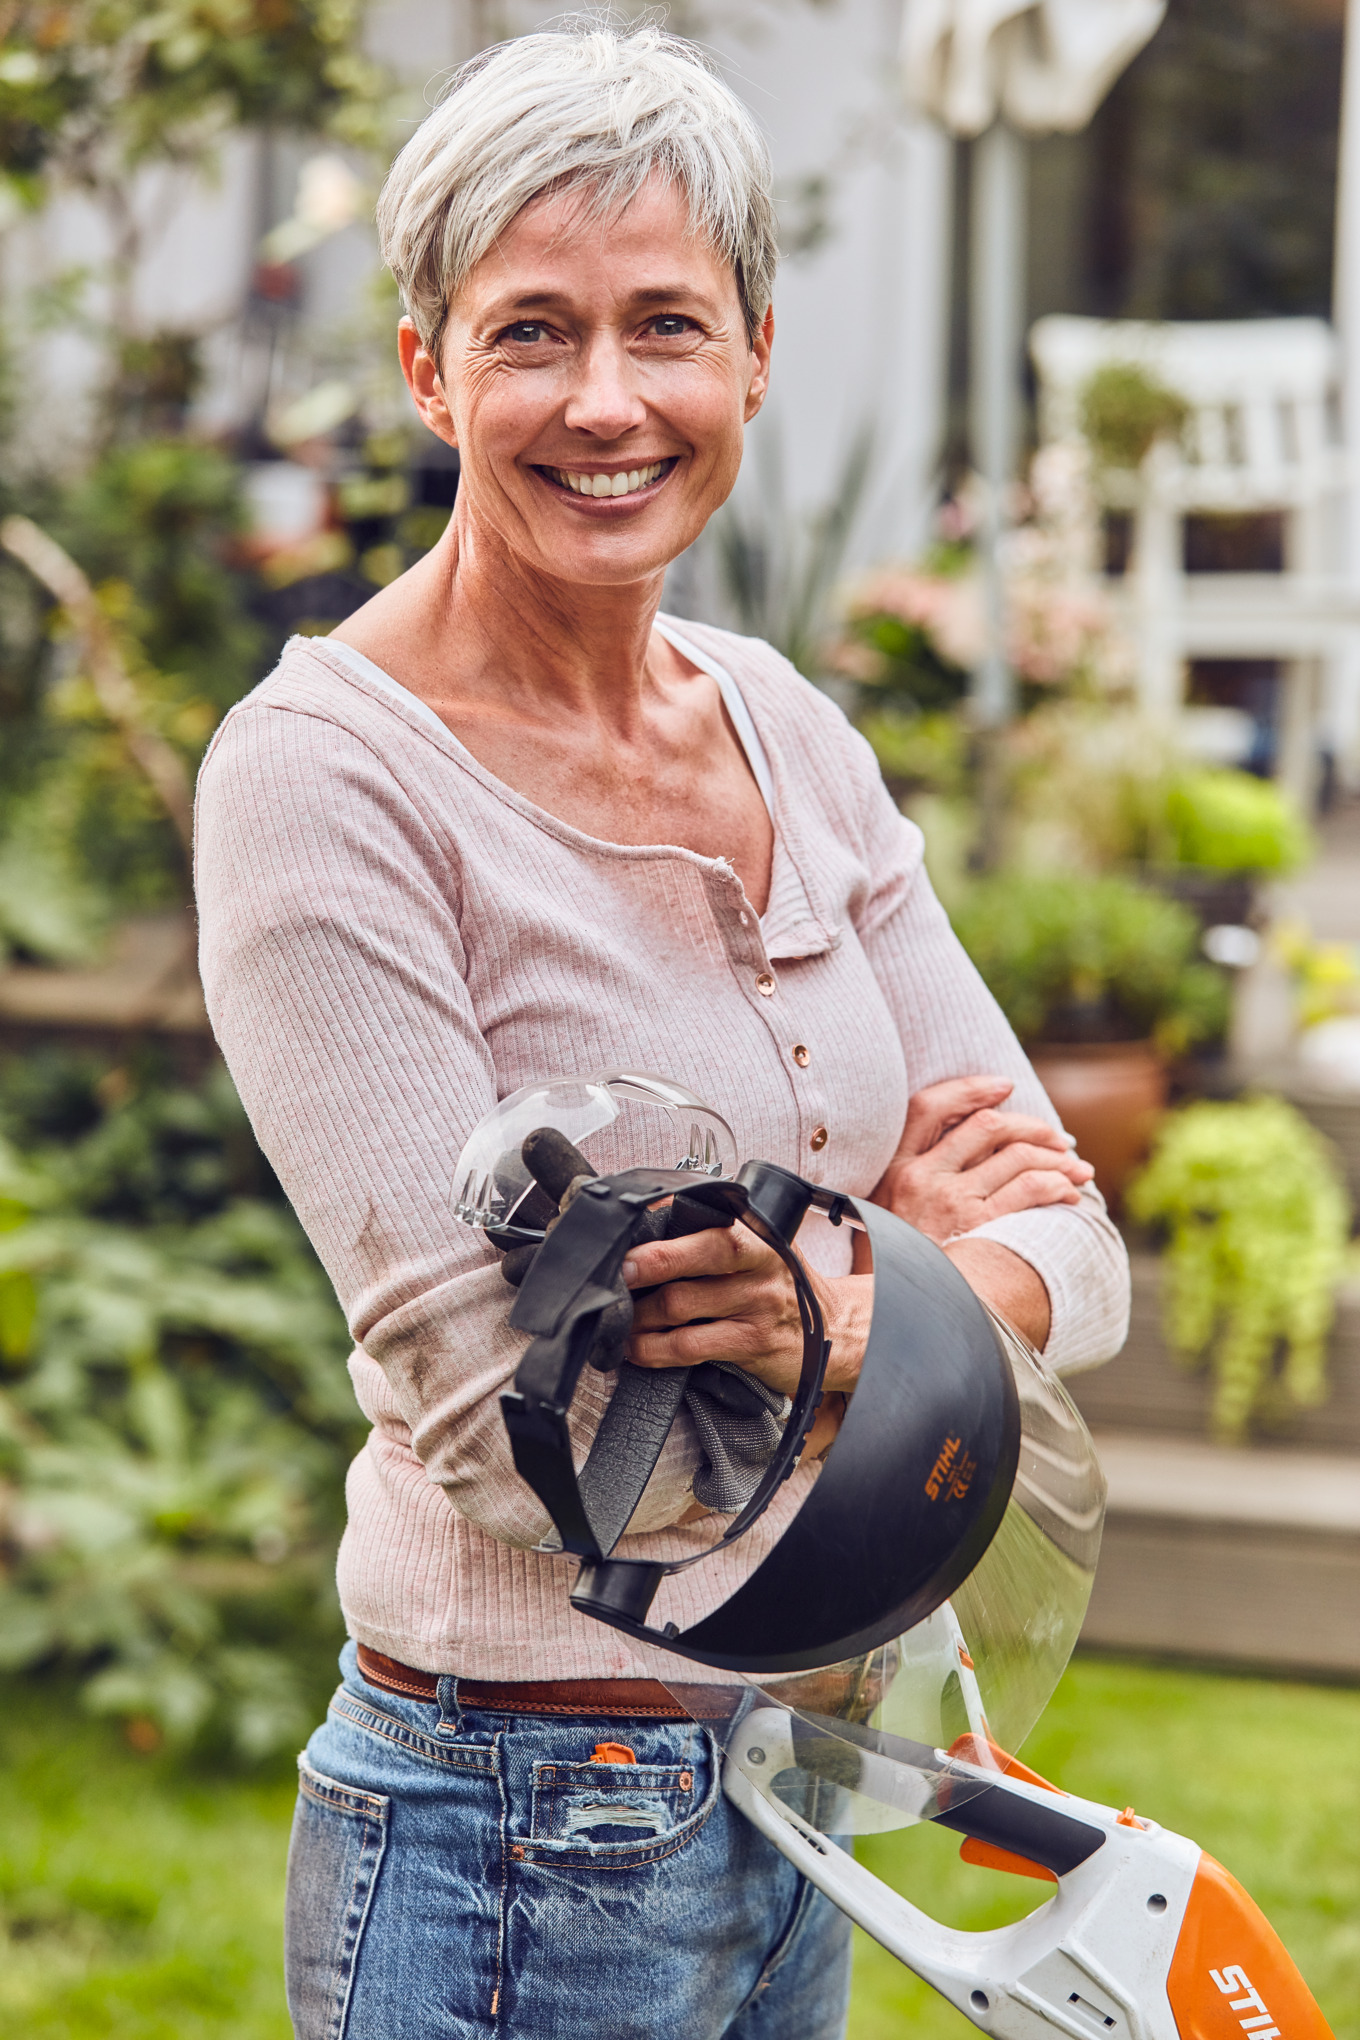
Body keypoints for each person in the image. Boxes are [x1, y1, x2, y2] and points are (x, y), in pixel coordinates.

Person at [194, 23, 1130, 2040]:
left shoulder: (785, 726)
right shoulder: (327, 780)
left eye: (664, 328)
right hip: (520, 1828)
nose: (604, 402)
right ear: (428, 367)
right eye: (531, 331)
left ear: (755, 358)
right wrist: (914, 1282)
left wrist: (868, 1292)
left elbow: (1079, 1250)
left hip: (793, 1796)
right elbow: (506, 1442)